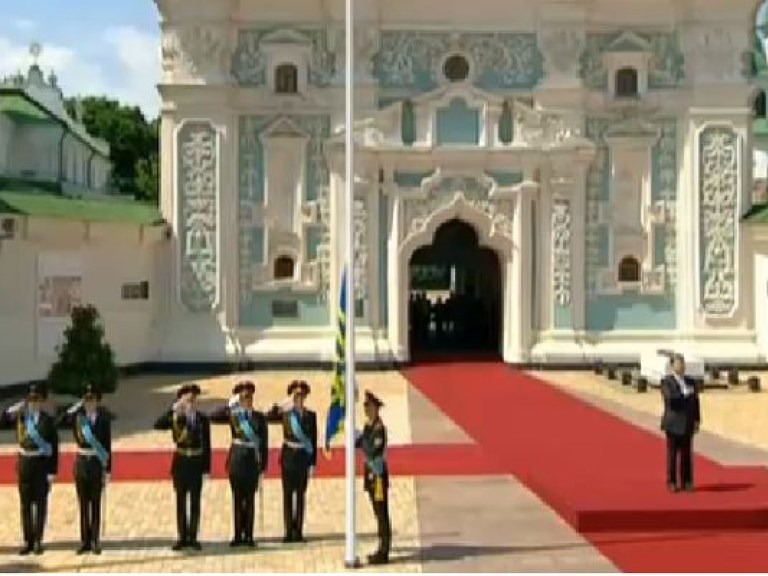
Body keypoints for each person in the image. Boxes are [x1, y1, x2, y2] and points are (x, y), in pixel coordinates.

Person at [0, 383, 59, 555]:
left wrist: (52, 471)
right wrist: (10, 410)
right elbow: (2, 420)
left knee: (40, 504)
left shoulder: (48, 421)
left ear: (42, 401)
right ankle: (28, 540)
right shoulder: (21, 418)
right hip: (25, 464)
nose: (33, 402)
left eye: (37, 399)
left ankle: (39, 540)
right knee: (25, 505)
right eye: (31, 399)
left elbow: (54, 447)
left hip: (40, 465)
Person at [209, 381, 268, 547]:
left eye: (248, 397)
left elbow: (263, 443)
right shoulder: (233, 416)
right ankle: (237, 535)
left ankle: (249, 535)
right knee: (237, 499)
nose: (246, 400)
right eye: (243, 397)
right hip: (236, 461)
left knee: (249, 500)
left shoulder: (259, 417)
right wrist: (229, 405)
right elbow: (213, 416)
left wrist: (263, 467)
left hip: (251, 462)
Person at [154, 383, 211, 551]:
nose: (190, 402)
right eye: (187, 399)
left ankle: (193, 537)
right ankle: (182, 537)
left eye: (193, 399)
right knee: (180, 502)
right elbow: (157, 424)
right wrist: (173, 410)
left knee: (194, 502)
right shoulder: (175, 417)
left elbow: (207, 445)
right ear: (181, 399)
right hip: (180, 463)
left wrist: (207, 468)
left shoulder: (201, 419)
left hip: (195, 462)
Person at [57, 383, 113, 554]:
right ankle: (85, 540)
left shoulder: (103, 420)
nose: (89, 403)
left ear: (97, 401)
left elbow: (107, 445)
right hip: (81, 463)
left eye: (92, 400)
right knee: (83, 504)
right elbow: (58, 421)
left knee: (95, 504)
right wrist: (74, 408)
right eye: (86, 400)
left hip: (96, 463)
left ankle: (95, 539)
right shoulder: (78, 418)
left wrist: (108, 469)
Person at [266, 380, 317, 543]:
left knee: (300, 496)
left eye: (301, 395)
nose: (299, 399)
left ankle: (298, 531)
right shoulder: (286, 414)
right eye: (295, 396)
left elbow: (313, 440)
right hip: (288, 458)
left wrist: (313, 462)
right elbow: (268, 415)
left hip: (302, 458)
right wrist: (281, 404)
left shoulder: (311, 416)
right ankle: (288, 531)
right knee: (287, 496)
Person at [355, 391, 391, 565]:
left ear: (376, 409)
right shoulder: (368, 426)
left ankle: (384, 550)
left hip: (377, 476)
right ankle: (381, 547)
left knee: (382, 513)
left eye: (369, 407)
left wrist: (362, 441)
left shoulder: (378, 429)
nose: (367, 410)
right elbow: (359, 443)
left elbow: (371, 450)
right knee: (377, 513)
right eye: (365, 407)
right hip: (370, 475)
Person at [660, 353, 701, 492]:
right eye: (678, 363)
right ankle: (672, 482)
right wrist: (683, 394)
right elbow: (670, 400)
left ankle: (687, 482)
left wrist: (697, 419)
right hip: (673, 423)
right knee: (672, 455)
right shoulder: (667, 382)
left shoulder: (690, 382)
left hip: (688, 422)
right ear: (672, 366)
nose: (681, 366)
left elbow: (696, 402)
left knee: (686, 455)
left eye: (683, 363)